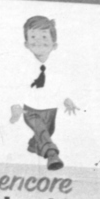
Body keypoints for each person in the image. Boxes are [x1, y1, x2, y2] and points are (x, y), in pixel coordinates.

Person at [9, 15, 79, 172]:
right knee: (41, 130)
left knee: (46, 132)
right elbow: (16, 87)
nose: (39, 41)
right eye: (33, 37)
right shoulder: (23, 67)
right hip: (30, 110)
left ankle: (34, 145)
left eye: (44, 36)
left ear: (54, 45)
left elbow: (60, 87)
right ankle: (52, 155)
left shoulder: (57, 68)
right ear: (26, 44)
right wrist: (16, 106)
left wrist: (66, 99)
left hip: (50, 109)